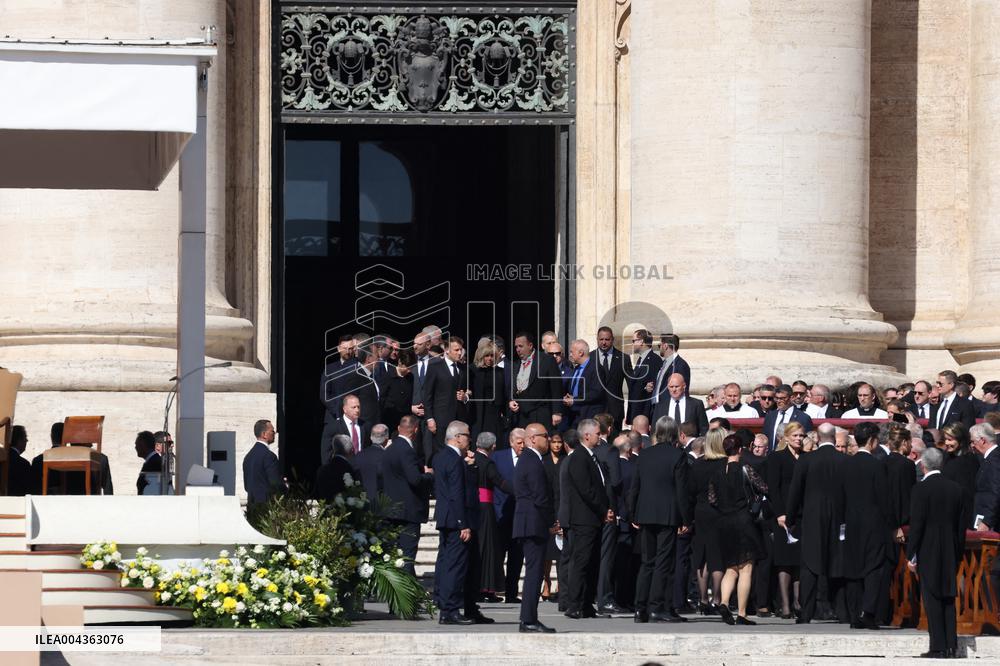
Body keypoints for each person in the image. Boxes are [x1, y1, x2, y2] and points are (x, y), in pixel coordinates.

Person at [628, 416, 691, 623]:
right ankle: (656, 607)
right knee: (663, 562)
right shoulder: (678, 456)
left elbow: (634, 486)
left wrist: (633, 512)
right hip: (668, 514)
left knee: (647, 562)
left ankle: (640, 608)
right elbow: (682, 490)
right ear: (674, 434)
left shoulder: (644, 455)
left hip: (645, 513)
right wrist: (686, 518)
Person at [907, 447, 966, 659]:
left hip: (928, 549)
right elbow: (961, 528)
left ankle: (938, 646)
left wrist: (910, 554)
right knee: (948, 597)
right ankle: (951, 644)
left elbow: (917, 525)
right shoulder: (956, 489)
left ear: (923, 465)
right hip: (950, 549)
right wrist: (959, 553)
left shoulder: (920, 489)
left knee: (931, 597)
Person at [784, 423, 846, 624]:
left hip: (811, 518)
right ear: (835, 437)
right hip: (839, 518)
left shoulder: (806, 459)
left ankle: (806, 612)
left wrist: (790, 518)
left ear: (817, 438)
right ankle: (842, 611)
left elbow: (795, 492)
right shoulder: (844, 460)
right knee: (837, 563)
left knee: (809, 565)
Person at [708, 434, 768, 625]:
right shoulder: (744, 468)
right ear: (741, 450)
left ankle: (724, 602)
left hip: (723, 522)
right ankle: (742, 613)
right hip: (743, 520)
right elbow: (763, 487)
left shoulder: (717, 472)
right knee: (746, 568)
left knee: (730, 567)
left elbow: (712, 499)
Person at [840, 421, 892, 630]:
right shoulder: (877, 465)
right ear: (872, 441)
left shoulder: (845, 464)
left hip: (851, 524)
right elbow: (884, 499)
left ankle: (854, 614)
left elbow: (839, 497)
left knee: (853, 568)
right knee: (873, 568)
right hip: (873, 524)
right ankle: (867, 612)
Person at [562, 418, 612, 619]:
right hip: (584, 519)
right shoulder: (578, 457)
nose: (600, 437)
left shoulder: (592, 456)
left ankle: (586, 604)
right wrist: (603, 510)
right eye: (598, 434)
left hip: (594, 519)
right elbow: (586, 490)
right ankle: (574, 604)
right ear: (587, 435)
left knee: (592, 562)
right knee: (581, 562)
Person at [433, 421, 479, 625]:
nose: (469, 439)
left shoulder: (441, 456)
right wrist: (463, 523)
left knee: (446, 563)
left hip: (445, 518)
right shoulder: (453, 459)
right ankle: (450, 609)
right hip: (455, 519)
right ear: (458, 437)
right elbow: (456, 493)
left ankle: (444, 605)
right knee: (455, 566)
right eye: (467, 435)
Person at [514, 423, 558, 633]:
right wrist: (551, 521)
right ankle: (529, 619)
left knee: (535, 571)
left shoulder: (530, 459)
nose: (548, 440)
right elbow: (540, 495)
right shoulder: (531, 460)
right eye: (545, 436)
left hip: (530, 522)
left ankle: (528, 617)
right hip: (533, 523)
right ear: (532, 439)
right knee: (534, 572)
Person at [380, 415, 432, 576]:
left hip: (391, 510)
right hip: (407, 512)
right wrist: (429, 475)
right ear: (415, 430)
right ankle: (406, 598)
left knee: (395, 557)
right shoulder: (406, 450)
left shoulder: (390, 449)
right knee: (407, 557)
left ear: (398, 428)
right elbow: (415, 479)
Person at [689, 428, 728, 615]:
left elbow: (691, 489)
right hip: (719, 512)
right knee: (718, 556)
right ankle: (717, 598)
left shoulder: (697, 463)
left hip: (700, 510)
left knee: (702, 555)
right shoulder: (725, 463)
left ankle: (703, 599)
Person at [769, 422, 804, 620]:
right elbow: (773, 487)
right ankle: (785, 604)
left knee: (798, 560)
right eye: (795, 435)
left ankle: (798, 601)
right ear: (787, 437)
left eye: (801, 435)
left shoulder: (806, 457)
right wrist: (780, 512)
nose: (799, 439)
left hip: (800, 514)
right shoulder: (777, 457)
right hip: (782, 515)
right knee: (784, 561)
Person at [471, 432, 510, 602]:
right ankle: (485, 588)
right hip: (485, 508)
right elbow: (500, 483)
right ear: (493, 446)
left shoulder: (470, 460)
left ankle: (477, 587)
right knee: (488, 548)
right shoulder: (487, 463)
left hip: (473, 507)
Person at [493, 428, 525, 603]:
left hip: (520, 517)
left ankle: (512, 593)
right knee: (498, 555)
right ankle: (496, 589)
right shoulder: (498, 457)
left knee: (516, 557)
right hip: (501, 514)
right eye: (519, 442)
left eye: (524, 442)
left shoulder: (529, 458)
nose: (522, 446)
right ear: (511, 442)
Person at [508, 332, 563, 431]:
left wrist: (557, 412)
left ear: (530, 345)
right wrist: (511, 400)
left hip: (540, 412)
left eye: (521, 346)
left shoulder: (547, 360)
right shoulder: (515, 364)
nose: (518, 349)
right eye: (516, 347)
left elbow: (556, 388)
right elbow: (512, 386)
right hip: (521, 415)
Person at [592, 326, 633, 434]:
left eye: (607, 339)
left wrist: (631, 413)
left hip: (615, 411)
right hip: (594, 410)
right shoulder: (590, 358)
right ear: (597, 339)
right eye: (601, 339)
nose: (604, 343)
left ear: (612, 340)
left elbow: (632, 385)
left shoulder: (623, 358)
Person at [542, 432, 567, 601]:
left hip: (562, 505)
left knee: (560, 548)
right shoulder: (544, 461)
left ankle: (560, 582)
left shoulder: (566, 460)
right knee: (547, 551)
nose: (557, 446)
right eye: (554, 442)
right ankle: (546, 582)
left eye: (560, 442)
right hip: (548, 506)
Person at [940, 422, 980, 524]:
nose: (946, 443)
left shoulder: (968, 460)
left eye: (950, 439)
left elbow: (967, 492)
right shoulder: (947, 456)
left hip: (960, 514)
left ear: (961, 440)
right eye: (945, 439)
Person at [243, 419, 285, 512]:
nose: (275, 433)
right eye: (272, 431)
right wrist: (285, 486)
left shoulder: (248, 457)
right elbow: (275, 484)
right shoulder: (269, 456)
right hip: (266, 509)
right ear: (264, 434)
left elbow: (246, 486)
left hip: (252, 507)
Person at [320, 394, 370, 465]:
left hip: (361, 467)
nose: (357, 410)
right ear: (345, 409)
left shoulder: (364, 425)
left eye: (358, 407)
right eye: (353, 407)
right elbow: (326, 453)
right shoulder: (333, 427)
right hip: (342, 468)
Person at [470, 342, 506, 441]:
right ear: (481, 356)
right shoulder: (473, 370)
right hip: (478, 412)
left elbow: (504, 392)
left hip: (495, 412)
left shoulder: (500, 372)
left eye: (492, 356)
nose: (489, 358)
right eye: (487, 355)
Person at [763, 385, 814, 450]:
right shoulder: (770, 416)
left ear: (791, 398)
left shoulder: (803, 418)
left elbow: (807, 442)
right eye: (776, 398)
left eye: (782, 398)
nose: (778, 401)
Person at [627, 329, 661, 423]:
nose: (632, 344)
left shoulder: (654, 360)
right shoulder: (641, 359)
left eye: (634, 341)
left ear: (641, 341)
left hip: (644, 413)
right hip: (636, 410)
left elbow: (652, 387)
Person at [379, 348, 415, 434]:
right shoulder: (388, 376)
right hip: (390, 419)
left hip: (405, 420)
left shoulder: (410, 377)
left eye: (411, 367)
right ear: (399, 362)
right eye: (407, 367)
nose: (409, 370)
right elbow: (382, 398)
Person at [972, 423, 1000, 531]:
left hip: (990, 522)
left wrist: (986, 522)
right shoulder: (989, 458)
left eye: (973, 442)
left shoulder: (995, 460)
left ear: (982, 440)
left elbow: (996, 492)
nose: (972, 445)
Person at [352, 423, 387, 503]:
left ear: (371, 438)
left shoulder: (359, 455)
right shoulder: (386, 457)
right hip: (381, 504)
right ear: (386, 439)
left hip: (360, 503)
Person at [313, 434, 356, 501]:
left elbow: (316, 495)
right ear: (351, 450)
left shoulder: (322, 470)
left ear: (334, 449)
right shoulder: (351, 470)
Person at [5, 425, 31, 496]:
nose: (27, 440)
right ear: (19, 441)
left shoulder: (3, 459)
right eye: (25, 437)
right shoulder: (23, 464)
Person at [134, 430, 162, 495]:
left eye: (136, 444)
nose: (135, 447)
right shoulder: (152, 460)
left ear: (142, 444)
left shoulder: (154, 462)